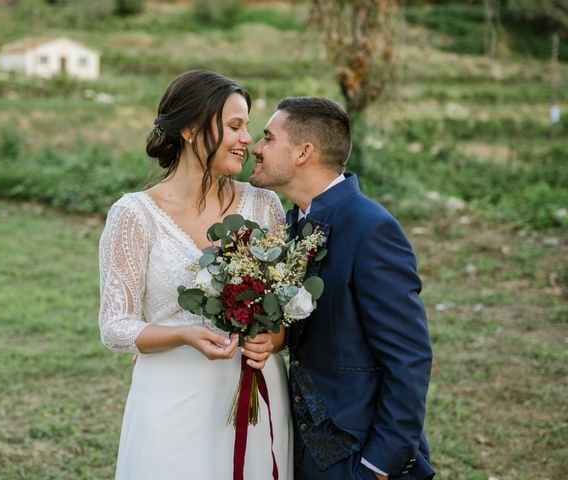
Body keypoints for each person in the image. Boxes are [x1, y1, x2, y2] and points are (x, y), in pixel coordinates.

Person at [98, 70, 292, 479]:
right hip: (171, 401)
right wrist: (183, 334)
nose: (247, 140)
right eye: (234, 126)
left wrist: (274, 339)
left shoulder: (265, 206)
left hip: (254, 393)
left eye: (248, 127)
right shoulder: (134, 215)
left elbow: (287, 309)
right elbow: (115, 326)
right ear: (189, 129)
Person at [245, 96, 435, 480]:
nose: (256, 148)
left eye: (267, 137)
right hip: (297, 447)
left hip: (357, 453)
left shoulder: (372, 229)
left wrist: (379, 466)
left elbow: (409, 358)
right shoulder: (289, 225)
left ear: (303, 152)